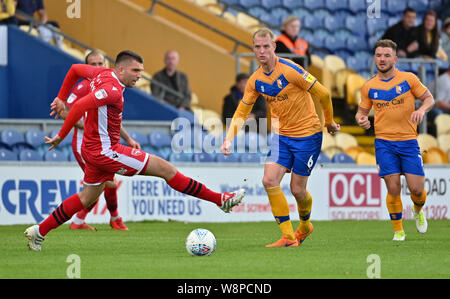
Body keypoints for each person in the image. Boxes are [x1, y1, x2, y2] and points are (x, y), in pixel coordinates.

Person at [24, 50, 245, 251]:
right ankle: (220, 199)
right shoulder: (112, 90)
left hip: (92, 149)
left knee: (85, 197)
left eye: (141, 70)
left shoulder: (101, 73)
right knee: (166, 170)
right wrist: (61, 135)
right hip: (105, 150)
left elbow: (74, 70)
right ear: (120, 69)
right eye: (135, 70)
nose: (139, 75)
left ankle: (39, 232)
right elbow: (80, 106)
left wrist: (62, 97)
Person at [221, 28, 340, 248]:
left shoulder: (291, 70)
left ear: (274, 47)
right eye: (257, 47)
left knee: (297, 190)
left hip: (308, 134)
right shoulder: (255, 80)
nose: (262, 51)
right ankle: (288, 237)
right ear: (253, 49)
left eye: (266, 46)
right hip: (282, 136)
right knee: (269, 180)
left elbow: (323, 93)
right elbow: (242, 111)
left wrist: (329, 122)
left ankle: (305, 226)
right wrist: (229, 138)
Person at [356, 39, 435, 242]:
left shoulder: (408, 79)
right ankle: (398, 231)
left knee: (417, 190)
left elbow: (429, 99)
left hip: (409, 141)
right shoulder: (369, 86)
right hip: (384, 142)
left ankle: (418, 210)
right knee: (393, 188)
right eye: (379, 55)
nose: (382, 59)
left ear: (395, 59)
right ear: (374, 58)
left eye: (387, 55)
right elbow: (361, 112)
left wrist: (421, 109)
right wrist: (362, 120)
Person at [53, 50, 140, 231]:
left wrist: (128, 138)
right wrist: (89, 128)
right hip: (84, 144)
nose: (98, 67)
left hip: (99, 143)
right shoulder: (83, 87)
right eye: (93, 64)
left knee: (104, 184)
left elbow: (110, 123)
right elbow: (65, 112)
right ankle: (110, 219)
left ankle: (87, 221)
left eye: (101, 63)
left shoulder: (107, 85)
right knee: (106, 184)